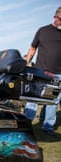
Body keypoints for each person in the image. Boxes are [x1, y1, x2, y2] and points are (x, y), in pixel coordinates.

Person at [24, 6, 61, 136]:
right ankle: (25, 124)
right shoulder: (43, 30)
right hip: (40, 71)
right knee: (33, 98)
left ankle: (48, 127)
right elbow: (33, 48)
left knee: (53, 101)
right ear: (55, 17)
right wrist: (27, 62)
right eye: (60, 19)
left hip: (58, 74)